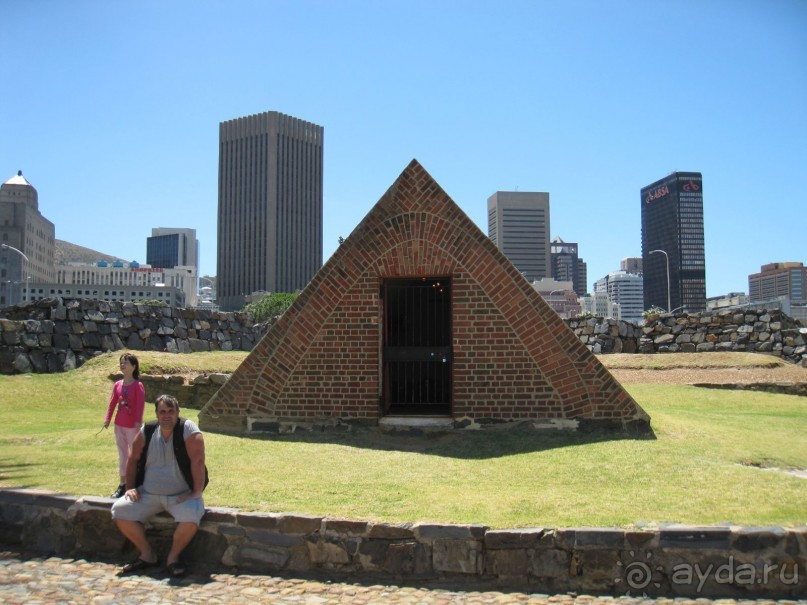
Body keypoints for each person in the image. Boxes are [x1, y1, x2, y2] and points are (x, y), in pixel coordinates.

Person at [110, 394, 206, 577]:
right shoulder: (148, 430)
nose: (167, 415)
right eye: (162, 412)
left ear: (178, 412)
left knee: (192, 515)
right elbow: (132, 459)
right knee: (119, 510)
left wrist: (196, 492)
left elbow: (198, 460)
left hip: (180, 495)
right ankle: (147, 554)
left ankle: (173, 558)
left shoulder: (187, 429)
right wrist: (130, 487)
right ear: (156, 414)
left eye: (171, 411)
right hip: (148, 494)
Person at [103, 352, 146, 498]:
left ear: (134, 366)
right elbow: (112, 403)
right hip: (119, 425)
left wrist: (138, 422)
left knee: (133, 455)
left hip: (132, 427)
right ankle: (122, 484)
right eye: (121, 362)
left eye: (126, 362)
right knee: (122, 455)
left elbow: (140, 405)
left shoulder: (138, 385)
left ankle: (134, 484)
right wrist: (107, 419)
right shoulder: (117, 385)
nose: (123, 365)